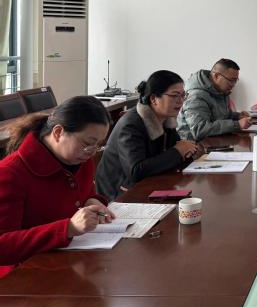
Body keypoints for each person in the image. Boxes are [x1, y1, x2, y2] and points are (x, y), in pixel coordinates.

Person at [0, 96, 115, 277]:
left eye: (98, 145)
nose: (92, 152)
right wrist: (67, 228)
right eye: (87, 143)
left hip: (65, 263)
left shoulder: (80, 159)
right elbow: (3, 245)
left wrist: (92, 201)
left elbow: (83, 194)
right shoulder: (10, 172)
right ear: (58, 132)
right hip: (23, 276)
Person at [96, 70, 199, 199]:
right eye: (175, 95)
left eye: (183, 95)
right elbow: (136, 171)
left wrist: (187, 151)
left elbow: (176, 150)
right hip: (120, 193)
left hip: (150, 184)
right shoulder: (131, 125)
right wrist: (178, 151)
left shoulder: (166, 119)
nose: (181, 101)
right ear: (154, 99)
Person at [177, 58, 251, 140]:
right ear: (216, 76)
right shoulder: (196, 96)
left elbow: (222, 116)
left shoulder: (221, 91)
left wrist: (238, 116)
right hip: (194, 144)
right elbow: (199, 129)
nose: (233, 85)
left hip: (214, 142)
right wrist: (237, 125)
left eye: (235, 80)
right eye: (231, 80)